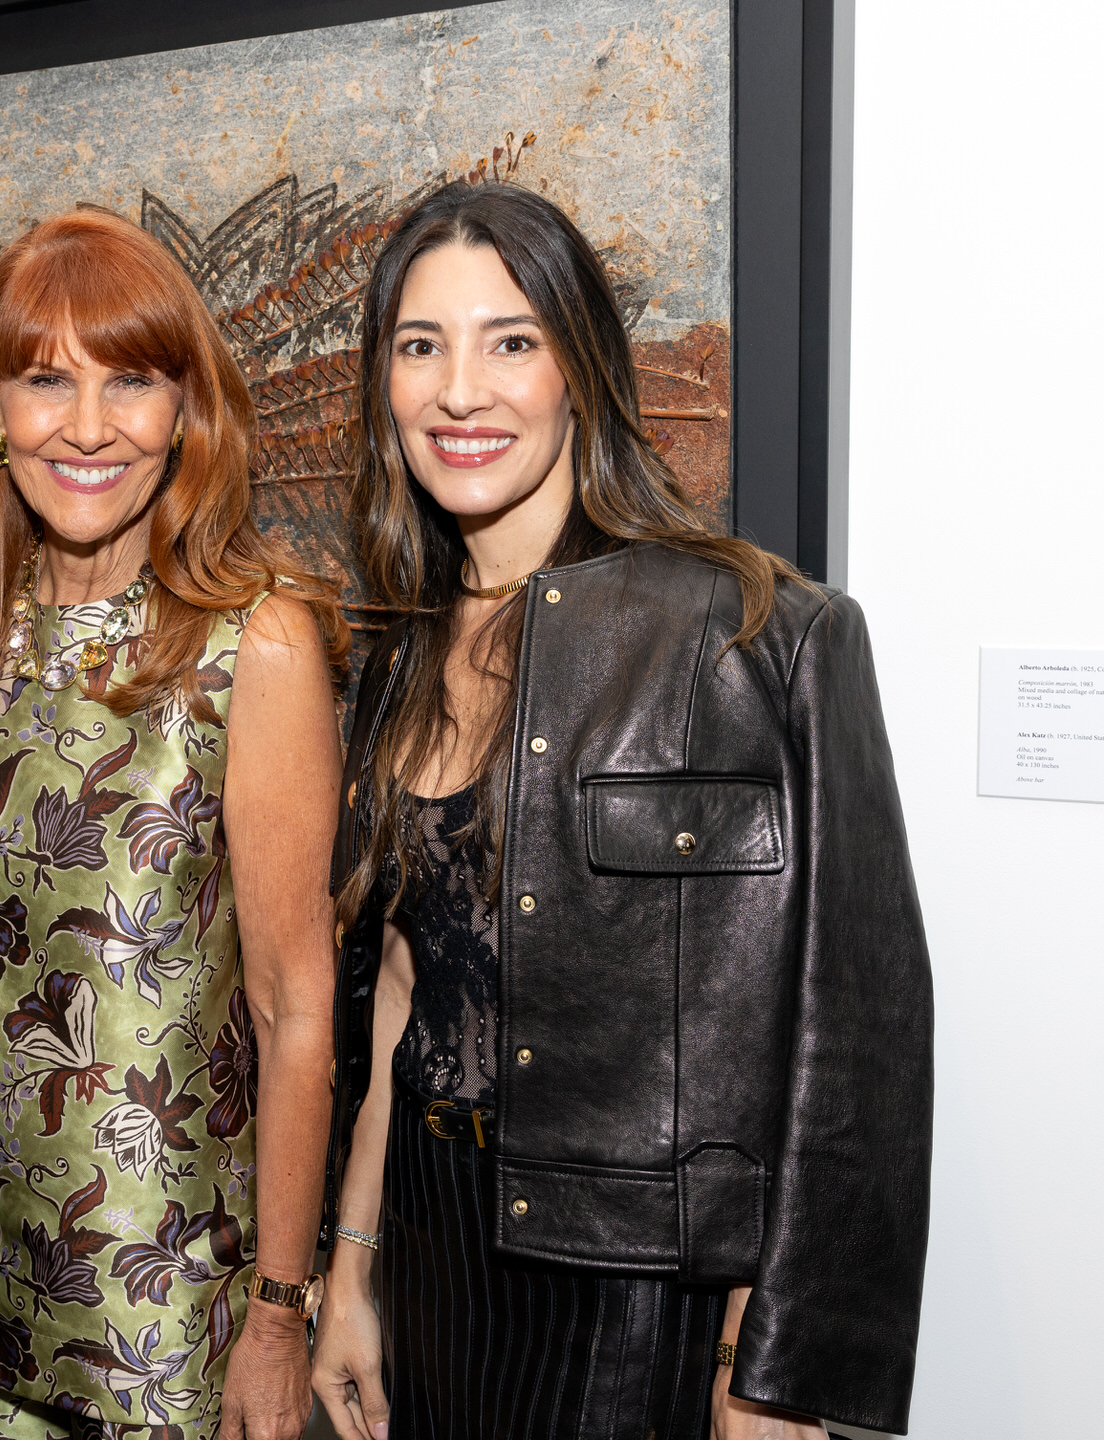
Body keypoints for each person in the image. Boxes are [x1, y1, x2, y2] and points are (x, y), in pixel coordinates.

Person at [309, 183, 932, 1440]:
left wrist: (768, 1360)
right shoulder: (388, 655)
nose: (459, 392)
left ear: (580, 369)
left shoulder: (755, 635)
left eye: (511, 341)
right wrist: (351, 1270)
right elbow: (398, 990)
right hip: (429, 1242)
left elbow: (850, 1039)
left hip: (639, 1283)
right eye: (421, 346)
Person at [0, 207, 346, 1440]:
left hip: (161, 1323)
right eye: (45, 380)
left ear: (185, 409)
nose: (87, 427)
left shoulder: (257, 644)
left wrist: (279, 1315)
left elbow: (295, 1008)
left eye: (130, 380)